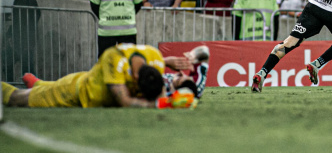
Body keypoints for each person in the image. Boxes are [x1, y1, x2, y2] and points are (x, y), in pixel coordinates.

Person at [2, 43, 192, 108]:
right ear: (134, 79)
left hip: (92, 81)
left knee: (43, 87)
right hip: (76, 92)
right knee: (17, 99)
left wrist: (168, 102)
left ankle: (38, 83)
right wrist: (155, 105)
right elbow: (125, 101)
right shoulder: (114, 58)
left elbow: (158, 95)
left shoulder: (156, 58)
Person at [7, 0, 40, 76]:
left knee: (26, 69)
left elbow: (20, 19)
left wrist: (13, 35)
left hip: (22, 40)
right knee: (26, 68)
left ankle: (11, 89)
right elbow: (37, 14)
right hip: (26, 39)